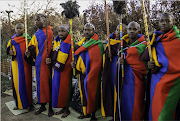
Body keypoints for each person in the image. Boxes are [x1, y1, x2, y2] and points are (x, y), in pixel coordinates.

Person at [140, 12, 180, 120]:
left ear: (173, 22)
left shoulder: (178, 39)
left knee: (167, 111)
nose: (164, 23)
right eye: (162, 21)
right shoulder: (155, 38)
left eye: (168, 21)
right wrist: (150, 64)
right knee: (155, 107)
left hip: (174, 81)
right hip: (156, 79)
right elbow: (150, 56)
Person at [115, 21, 148, 120]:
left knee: (136, 105)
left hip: (137, 80)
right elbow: (121, 55)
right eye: (129, 29)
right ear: (126, 31)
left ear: (139, 30)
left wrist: (125, 58)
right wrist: (120, 60)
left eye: (135, 29)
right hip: (124, 80)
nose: (132, 31)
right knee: (125, 103)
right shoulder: (122, 44)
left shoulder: (144, 45)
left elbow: (141, 62)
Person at [71, 23, 104, 121]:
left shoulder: (98, 44)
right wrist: (75, 64)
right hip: (82, 73)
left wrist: (92, 73)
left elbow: (98, 61)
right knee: (83, 93)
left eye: (89, 30)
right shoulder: (81, 44)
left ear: (93, 30)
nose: (86, 32)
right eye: (85, 30)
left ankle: (93, 114)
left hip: (93, 74)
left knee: (92, 93)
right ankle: (85, 112)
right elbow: (78, 57)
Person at [24, 14, 54, 117]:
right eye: (35, 20)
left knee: (47, 84)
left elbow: (49, 47)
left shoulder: (48, 32)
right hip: (38, 62)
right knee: (40, 85)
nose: (36, 22)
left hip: (47, 62)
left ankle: (50, 107)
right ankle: (42, 105)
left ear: (44, 20)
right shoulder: (37, 33)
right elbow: (32, 46)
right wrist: (28, 52)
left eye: (38, 20)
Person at [101, 23, 127, 119]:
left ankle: (119, 115)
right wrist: (108, 54)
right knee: (111, 90)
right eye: (117, 29)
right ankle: (112, 114)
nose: (119, 31)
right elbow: (106, 53)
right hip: (110, 69)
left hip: (120, 71)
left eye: (122, 30)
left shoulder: (127, 42)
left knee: (119, 92)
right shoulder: (110, 41)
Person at [6, 23, 33, 111]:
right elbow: (8, 50)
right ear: (15, 29)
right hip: (15, 66)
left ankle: (30, 104)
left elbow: (33, 50)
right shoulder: (12, 39)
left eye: (21, 28)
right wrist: (10, 52)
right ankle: (18, 104)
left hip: (25, 65)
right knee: (16, 85)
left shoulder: (27, 39)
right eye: (17, 28)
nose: (19, 30)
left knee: (26, 84)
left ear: (24, 30)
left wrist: (30, 54)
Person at [51, 24, 73, 118]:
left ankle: (67, 109)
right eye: (59, 31)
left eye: (63, 31)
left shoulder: (70, 42)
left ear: (68, 32)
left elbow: (71, 55)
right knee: (57, 88)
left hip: (66, 69)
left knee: (65, 89)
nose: (60, 33)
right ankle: (63, 107)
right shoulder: (57, 41)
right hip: (57, 67)